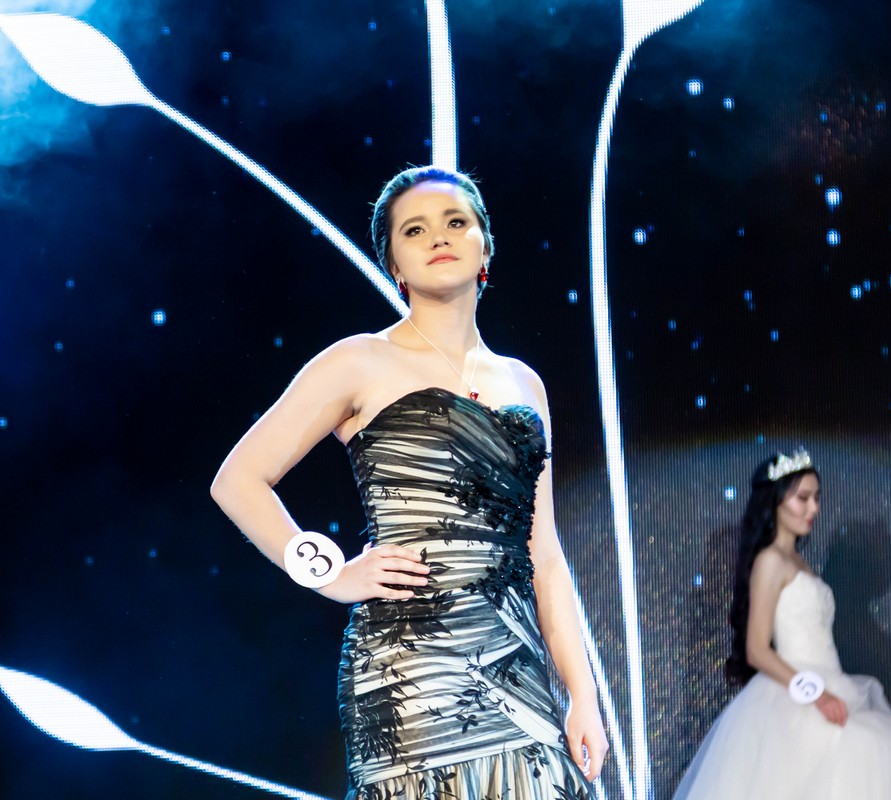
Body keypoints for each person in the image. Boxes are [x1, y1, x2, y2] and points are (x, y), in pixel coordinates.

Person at [211, 166, 607, 799]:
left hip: (516, 664)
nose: (438, 237)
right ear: (394, 263)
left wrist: (582, 693)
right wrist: (330, 573)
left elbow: (545, 555)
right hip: (409, 665)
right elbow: (238, 480)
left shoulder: (523, 383)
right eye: (414, 230)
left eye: (456, 222)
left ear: (485, 247)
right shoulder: (358, 360)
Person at [672, 450, 891, 799]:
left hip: (832, 683)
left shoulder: (798, 562)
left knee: (889, 748)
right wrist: (817, 694)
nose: (814, 508)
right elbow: (756, 650)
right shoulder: (770, 560)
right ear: (777, 501)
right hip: (794, 694)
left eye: (816, 498)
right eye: (803, 498)